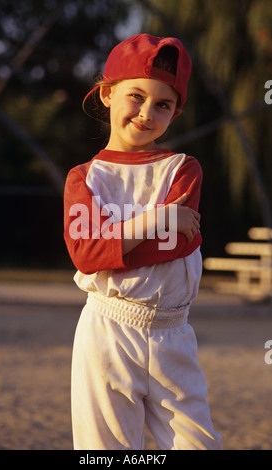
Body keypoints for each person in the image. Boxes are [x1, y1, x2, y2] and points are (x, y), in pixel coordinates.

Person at [64, 33, 222, 450]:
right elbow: (84, 255)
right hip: (108, 328)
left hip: (173, 332)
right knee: (107, 450)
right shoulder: (85, 178)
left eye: (162, 104)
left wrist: (111, 247)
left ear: (176, 112)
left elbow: (180, 245)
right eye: (135, 96)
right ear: (107, 93)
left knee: (199, 444)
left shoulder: (181, 169)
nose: (146, 113)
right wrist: (160, 218)